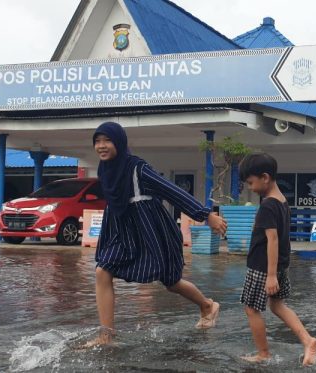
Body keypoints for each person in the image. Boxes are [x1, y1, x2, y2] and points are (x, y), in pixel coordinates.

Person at [85, 121, 227, 347]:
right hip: (122, 230)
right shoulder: (105, 169)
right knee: (102, 270)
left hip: (150, 229)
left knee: (170, 281)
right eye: (97, 141)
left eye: (107, 140)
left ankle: (208, 305)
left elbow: (171, 190)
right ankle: (106, 336)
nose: (101, 146)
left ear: (119, 142)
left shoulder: (137, 168)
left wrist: (205, 215)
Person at [238, 153, 316, 365]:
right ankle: (307, 340)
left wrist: (271, 275)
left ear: (265, 177)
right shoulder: (282, 201)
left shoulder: (267, 205)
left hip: (262, 267)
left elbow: (272, 239)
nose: (250, 188)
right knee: (277, 305)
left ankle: (263, 354)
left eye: (251, 182)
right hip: (279, 264)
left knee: (251, 308)